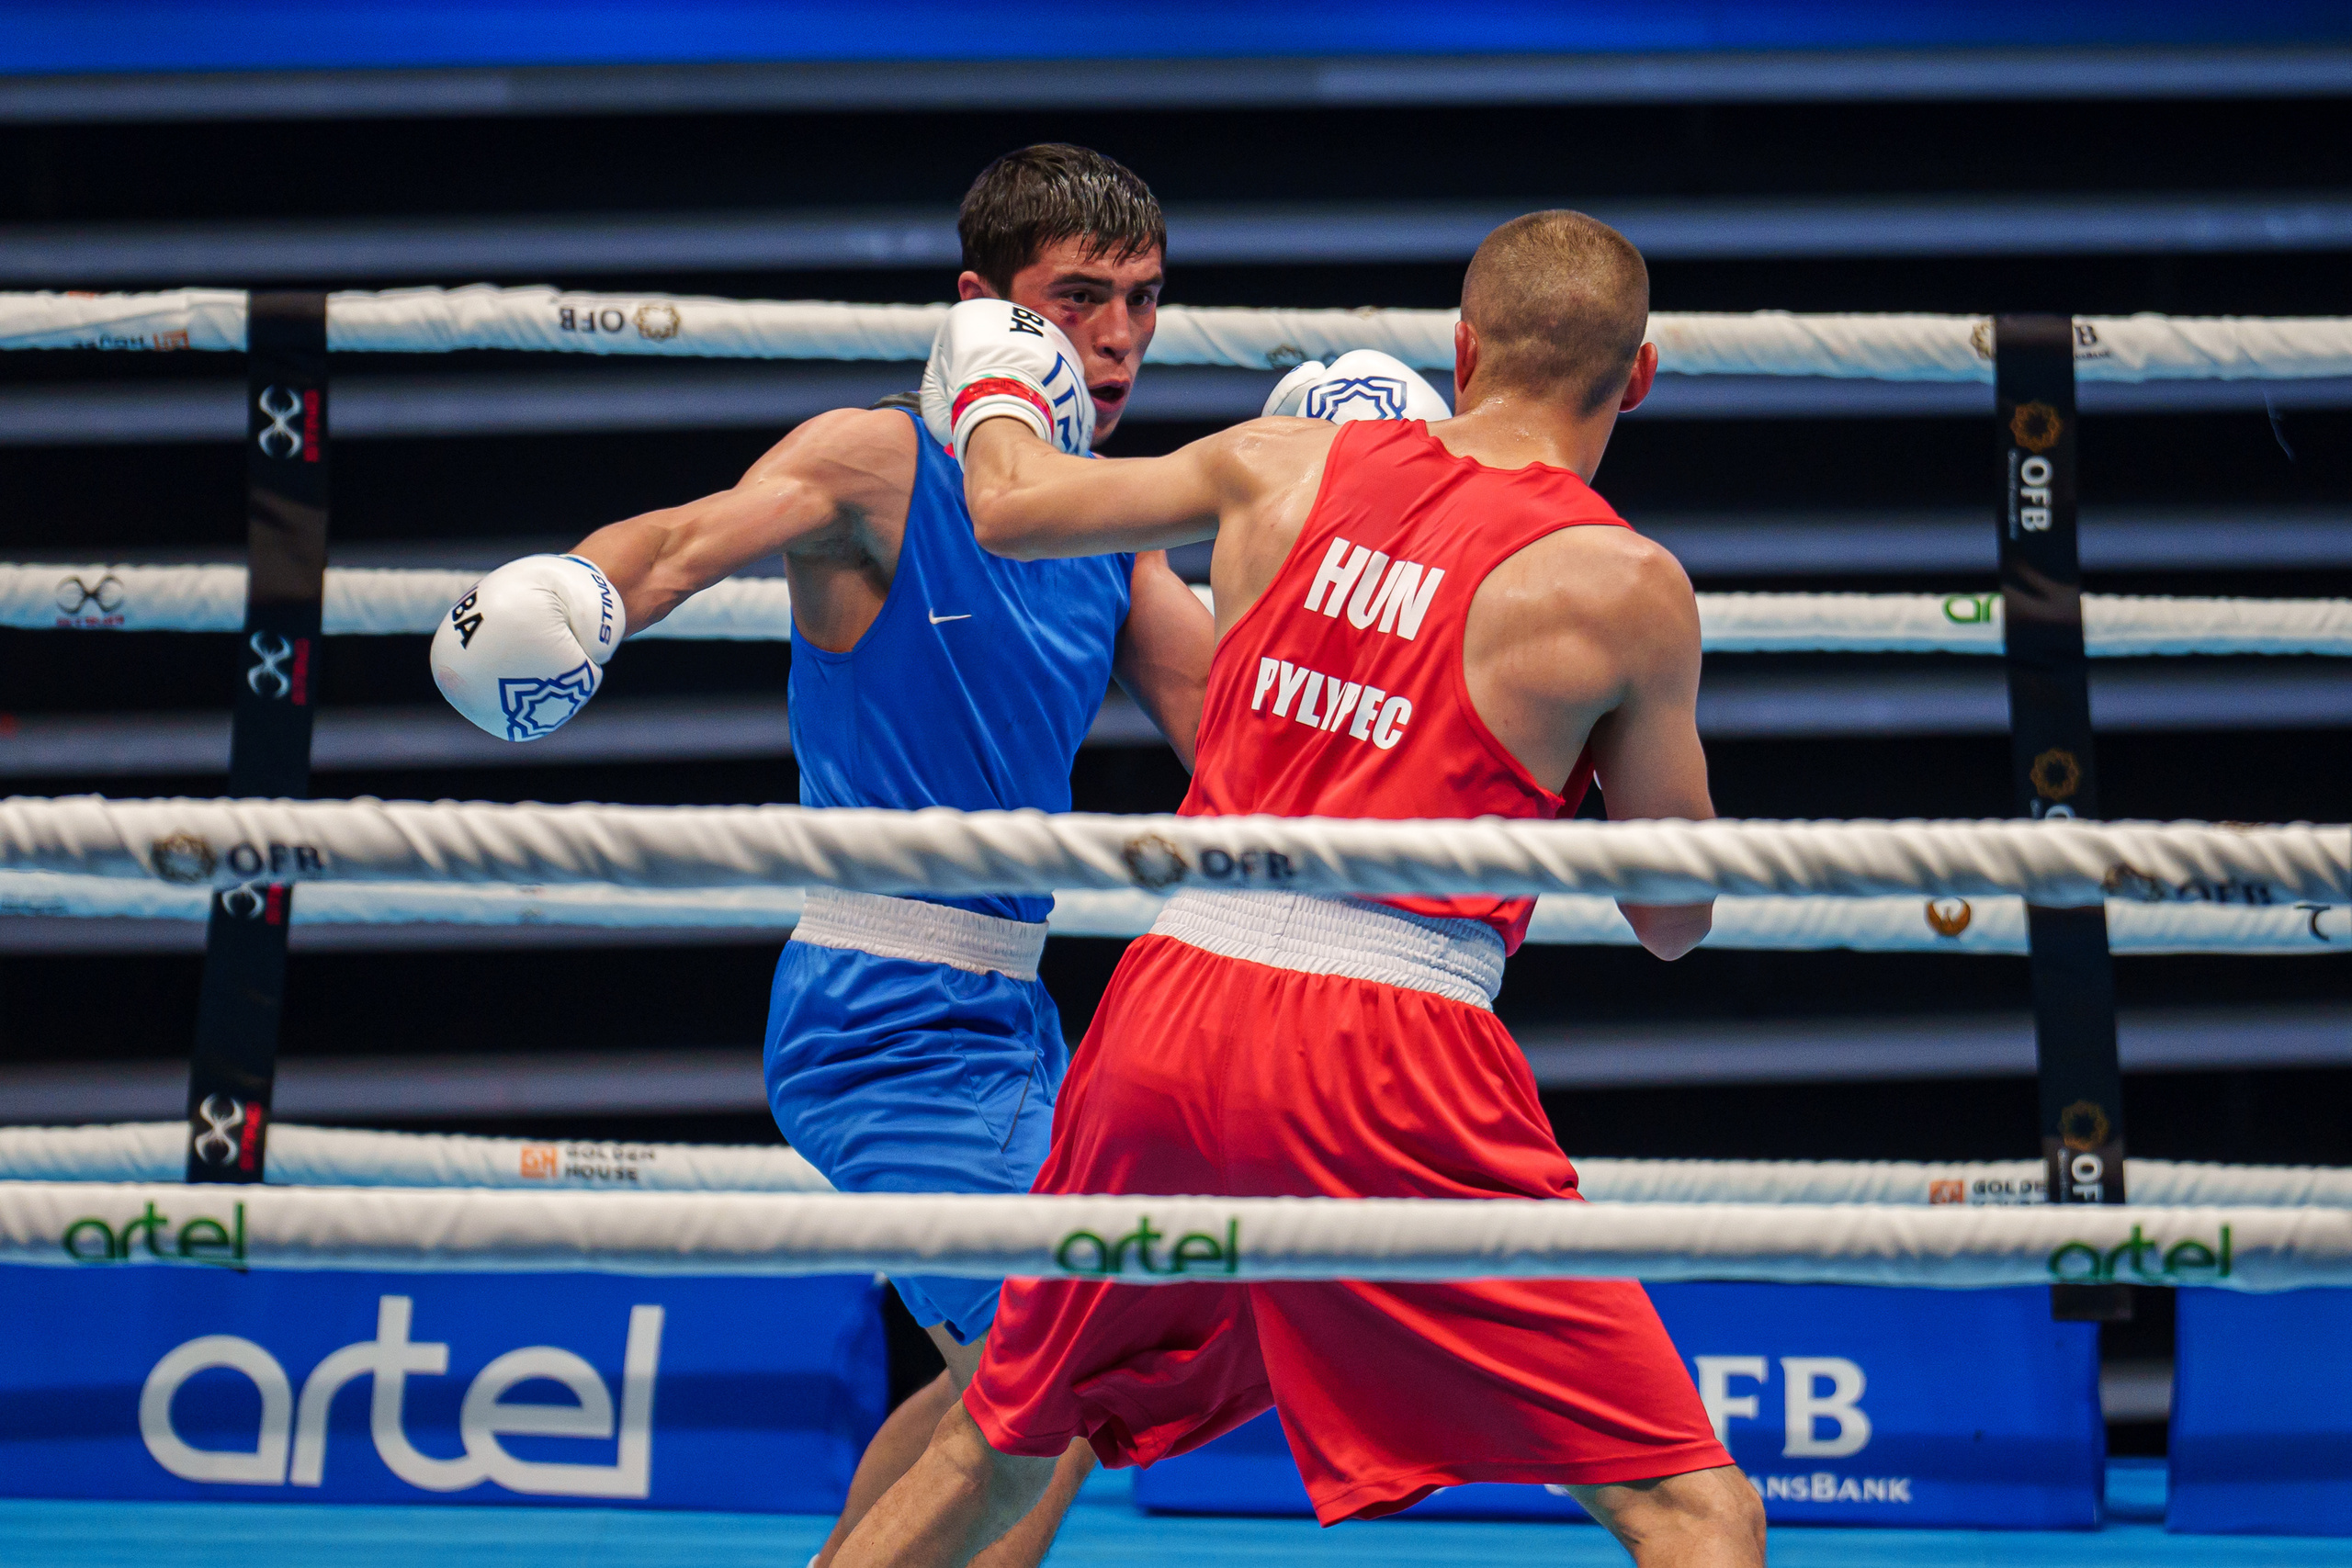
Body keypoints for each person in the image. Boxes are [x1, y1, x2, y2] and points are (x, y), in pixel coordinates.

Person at [837, 210, 1766, 1568]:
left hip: (1169, 1009)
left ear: (1462, 351)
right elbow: (1675, 923)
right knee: (1695, 1505)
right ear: (1639, 377)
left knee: (998, 1442)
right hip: (1388, 1049)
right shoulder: (1624, 584)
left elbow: (1012, 506)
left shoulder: (1284, 459)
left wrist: (992, 373)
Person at [427, 145, 1215, 1568]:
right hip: (883, 1006)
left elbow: (1246, 733)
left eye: (1145, 301)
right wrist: (581, 596)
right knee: (1044, 1380)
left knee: (1028, 1389)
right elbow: (686, 537)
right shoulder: (879, 458)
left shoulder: (1110, 523)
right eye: (1080, 297)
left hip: (1017, 1016)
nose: (1117, 337)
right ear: (983, 306)